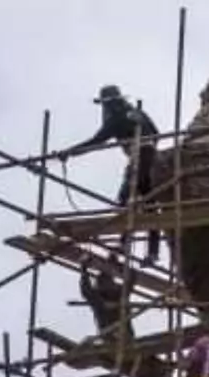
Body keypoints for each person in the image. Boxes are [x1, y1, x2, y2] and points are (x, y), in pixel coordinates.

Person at [64, 84, 162, 260]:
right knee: (147, 202)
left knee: (129, 199)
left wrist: (70, 152)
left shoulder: (116, 118)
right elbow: (156, 133)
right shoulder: (135, 112)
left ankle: (127, 244)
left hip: (141, 157)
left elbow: (96, 141)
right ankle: (149, 250)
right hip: (148, 156)